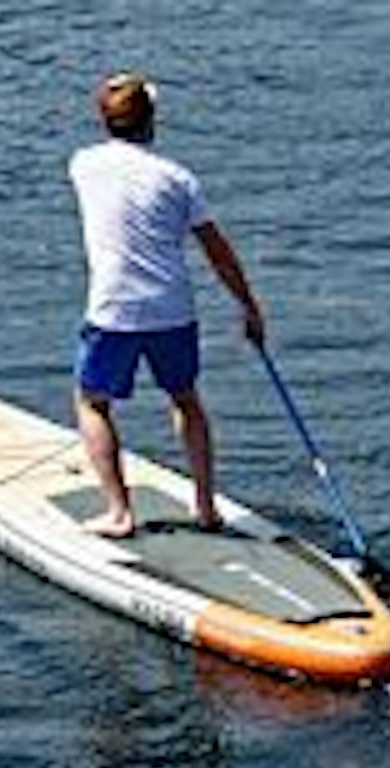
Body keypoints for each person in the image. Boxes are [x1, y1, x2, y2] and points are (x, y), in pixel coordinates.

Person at [68, 72, 267, 538]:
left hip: (113, 310)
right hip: (172, 310)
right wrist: (249, 308)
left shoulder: (83, 164)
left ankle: (119, 513)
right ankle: (205, 508)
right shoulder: (179, 180)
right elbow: (218, 251)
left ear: (105, 121)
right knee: (186, 400)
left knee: (92, 403)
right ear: (152, 121)